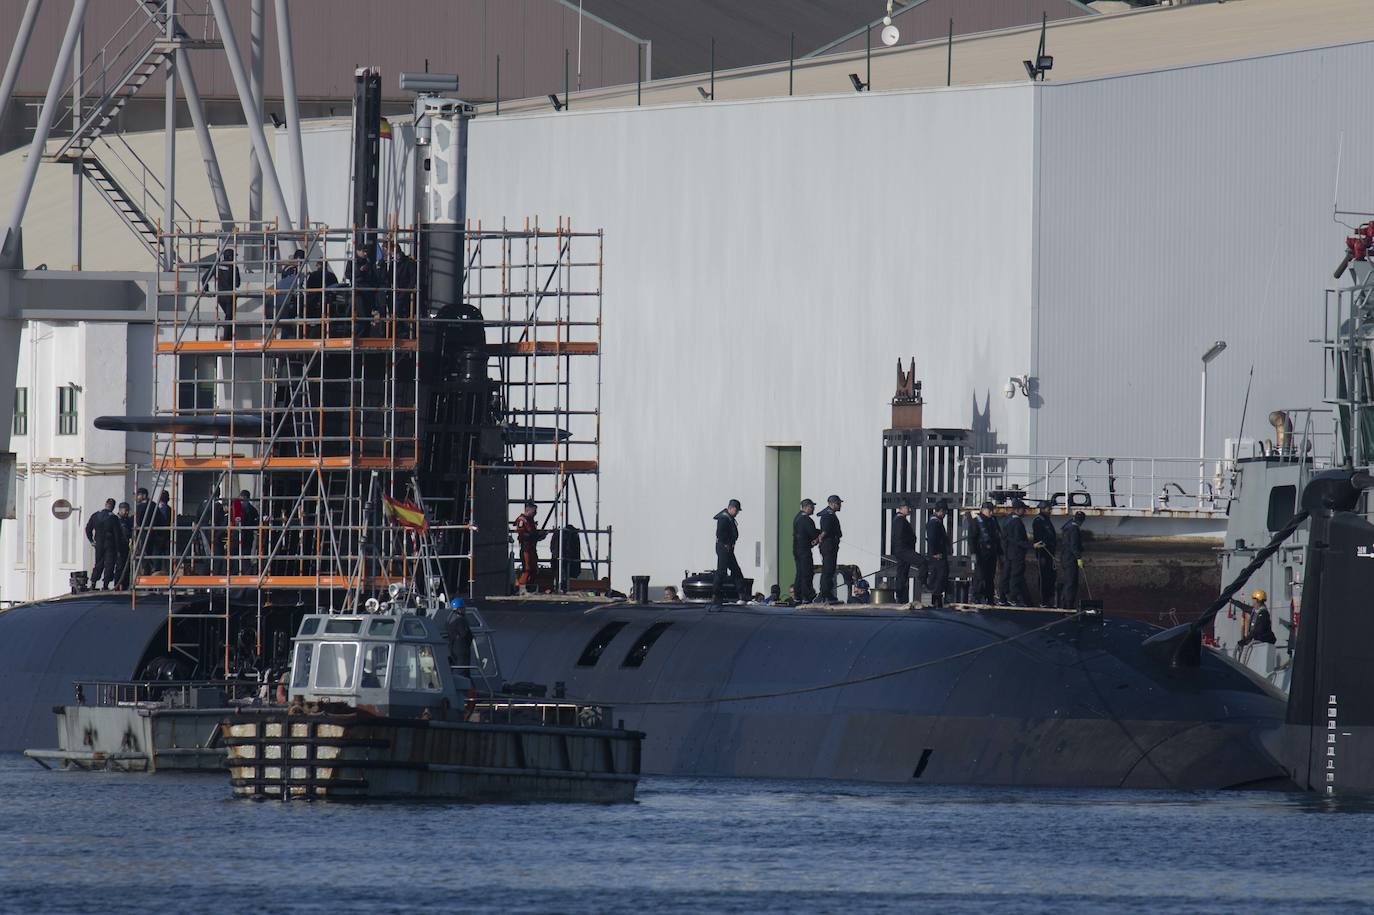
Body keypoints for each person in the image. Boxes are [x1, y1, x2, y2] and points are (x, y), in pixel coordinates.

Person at [968, 501, 1001, 604]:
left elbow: (997, 537)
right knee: (980, 575)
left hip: (992, 553)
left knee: (990, 576)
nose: (991, 512)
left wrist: (1000, 552)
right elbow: (972, 539)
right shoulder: (976, 521)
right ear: (982, 510)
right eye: (989, 510)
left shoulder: (993, 521)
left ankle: (989, 598)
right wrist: (973, 553)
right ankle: (976, 597)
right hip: (981, 553)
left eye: (992, 510)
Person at [999, 499, 1032, 606]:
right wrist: (1031, 545)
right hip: (1016, 553)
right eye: (1023, 509)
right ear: (1018, 510)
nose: (1024, 511)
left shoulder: (1007, 519)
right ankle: (1012, 598)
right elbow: (1018, 540)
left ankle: (1002, 597)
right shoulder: (1017, 522)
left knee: (1006, 575)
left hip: (1007, 552)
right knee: (1016, 575)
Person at [712, 499, 744, 603]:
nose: (737, 512)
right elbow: (720, 534)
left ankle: (741, 593)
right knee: (722, 571)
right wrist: (727, 544)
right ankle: (716, 594)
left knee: (736, 570)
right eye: (736, 510)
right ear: (731, 508)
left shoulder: (729, 518)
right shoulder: (724, 518)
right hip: (724, 547)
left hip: (728, 548)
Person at [890, 500, 922, 603]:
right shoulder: (900, 520)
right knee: (903, 572)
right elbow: (900, 536)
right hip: (903, 550)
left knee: (902, 573)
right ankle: (901, 596)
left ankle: (901, 596)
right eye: (908, 508)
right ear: (902, 508)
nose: (910, 510)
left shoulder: (899, 519)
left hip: (902, 549)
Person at [1057, 511, 1087, 609]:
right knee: (1071, 582)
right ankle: (1067, 605)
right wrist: (1079, 558)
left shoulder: (1067, 526)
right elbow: (1074, 546)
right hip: (1070, 559)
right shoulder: (1074, 529)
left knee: (1068, 581)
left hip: (1065, 557)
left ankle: (1064, 604)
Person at [85, 498, 117, 590]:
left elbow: (88, 529)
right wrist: (118, 547)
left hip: (98, 543)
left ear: (105, 504)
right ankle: (105, 585)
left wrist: (91, 541)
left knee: (98, 563)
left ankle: (93, 583)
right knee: (109, 564)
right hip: (110, 544)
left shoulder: (96, 515)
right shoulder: (113, 517)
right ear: (113, 507)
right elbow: (117, 534)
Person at [1031, 500, 1058, 608]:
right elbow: (1039, 538)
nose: (1050, 510)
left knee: (1050, 576)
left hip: (1049, 553)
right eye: (1048, 509)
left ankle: (1049, 598)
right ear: (1042, 509)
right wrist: (1045, 544)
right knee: (1043, 577)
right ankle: (1043, 600)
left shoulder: (1046, 520)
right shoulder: (1038, 521)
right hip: (1043, 553)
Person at [817, 495, 843, 602]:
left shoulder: (830, 514)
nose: (840, 505)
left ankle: (826, 592)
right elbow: (825, 530)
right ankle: (825, 593)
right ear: (831, 504)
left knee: (830, 570)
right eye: (838, 503)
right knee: (828, 570)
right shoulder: (828, 515)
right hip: (829, 545)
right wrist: (820, 538)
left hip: (831, 545)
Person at [792, 499, 819, 603]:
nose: (813, 509)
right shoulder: (806, 520)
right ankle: (806, 596)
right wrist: (822, 533)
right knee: (807, 573)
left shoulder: (797, 517)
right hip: (804, 550)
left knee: (799, 573)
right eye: (812, 507)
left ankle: (798, 595)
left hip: (797, 549)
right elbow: (813, 534)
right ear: (806, 507)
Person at [925, 500, 950, 607]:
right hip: (937, 555)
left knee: (940, 576)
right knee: (939, 576)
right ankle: (936, 600)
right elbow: (932, 539)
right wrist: (935, 552)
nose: (944, 515)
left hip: (939, 554)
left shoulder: (936, 522)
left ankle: (937, 599)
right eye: (944, 512)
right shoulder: (934, 523)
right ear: (941, 511)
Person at [514, 502, 544, 590]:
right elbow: (522, 533)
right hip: (526, 548)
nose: (535, 513)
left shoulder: (530, 521)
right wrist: (535, 535)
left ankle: (530, 587)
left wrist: (539, 535)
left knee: (534, 569)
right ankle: (520, 587)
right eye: (534, 511)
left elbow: (532, 533)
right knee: (527, 568)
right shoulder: (522, 520)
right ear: (528, 510)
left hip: (532, 548)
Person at [212, 247, 240, 340]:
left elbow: (204, 278)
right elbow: (237, 283)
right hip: (230, 297)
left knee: (228, 316)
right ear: (231, 257)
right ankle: (227, 339)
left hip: (220, 297)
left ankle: (227, 336)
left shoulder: (217, 266)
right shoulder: (234, 267)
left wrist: (206, 288)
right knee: (230, 317)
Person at [549, 523, 583, 588]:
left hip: (559, 557)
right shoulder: (571, 535)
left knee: (560, 572)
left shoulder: (559, 533)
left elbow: (552, 547)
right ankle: (561, 585)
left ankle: (560, 585)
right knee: (563, 572)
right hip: (563, 557)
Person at [234, 490, 259, 574]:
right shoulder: (252, 509)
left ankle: (243, 574)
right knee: (242, 558)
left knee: (241, 558)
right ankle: (244, 574)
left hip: (241, 536)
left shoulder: (240, 506)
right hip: (244, 536)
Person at [151, 490, 172, 572]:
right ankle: (157, 570)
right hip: (157, 535)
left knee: (167, 556)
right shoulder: (155, 509)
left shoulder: (170, 510)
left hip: (166, 536)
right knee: (157, 555)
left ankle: (167, 571)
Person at [114, 502, 133, 589]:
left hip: (126, 546)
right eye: (126, 510)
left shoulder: (128, 520)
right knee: (120, 567)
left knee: (127, 566)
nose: (127, 512)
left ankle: (125, 585)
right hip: (119, 546)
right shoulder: (115, 520)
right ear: (120, 509)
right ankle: (117, 585)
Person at [133, 488, 152, 575]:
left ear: (144, 495)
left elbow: (138, 520)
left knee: (144, 554)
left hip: (144, 534)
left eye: (138, 495)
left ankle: (146, 573)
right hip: (149, 534)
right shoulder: (152, 505)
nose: (137, 497)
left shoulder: (142, 506)